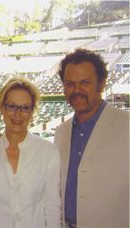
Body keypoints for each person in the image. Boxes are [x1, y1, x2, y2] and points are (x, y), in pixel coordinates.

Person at [54, 48, 129, 228]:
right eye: (70, 83)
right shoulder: (61, 132)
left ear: (101, 84)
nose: (76, 90)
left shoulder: (126, 125)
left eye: (85, 82)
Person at [0, 77, 61, 228]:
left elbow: (52, 206)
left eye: (25, 107)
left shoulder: (49, 152)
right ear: (1, 108)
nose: (17, 114)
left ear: (33, 111)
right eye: (11, 106)